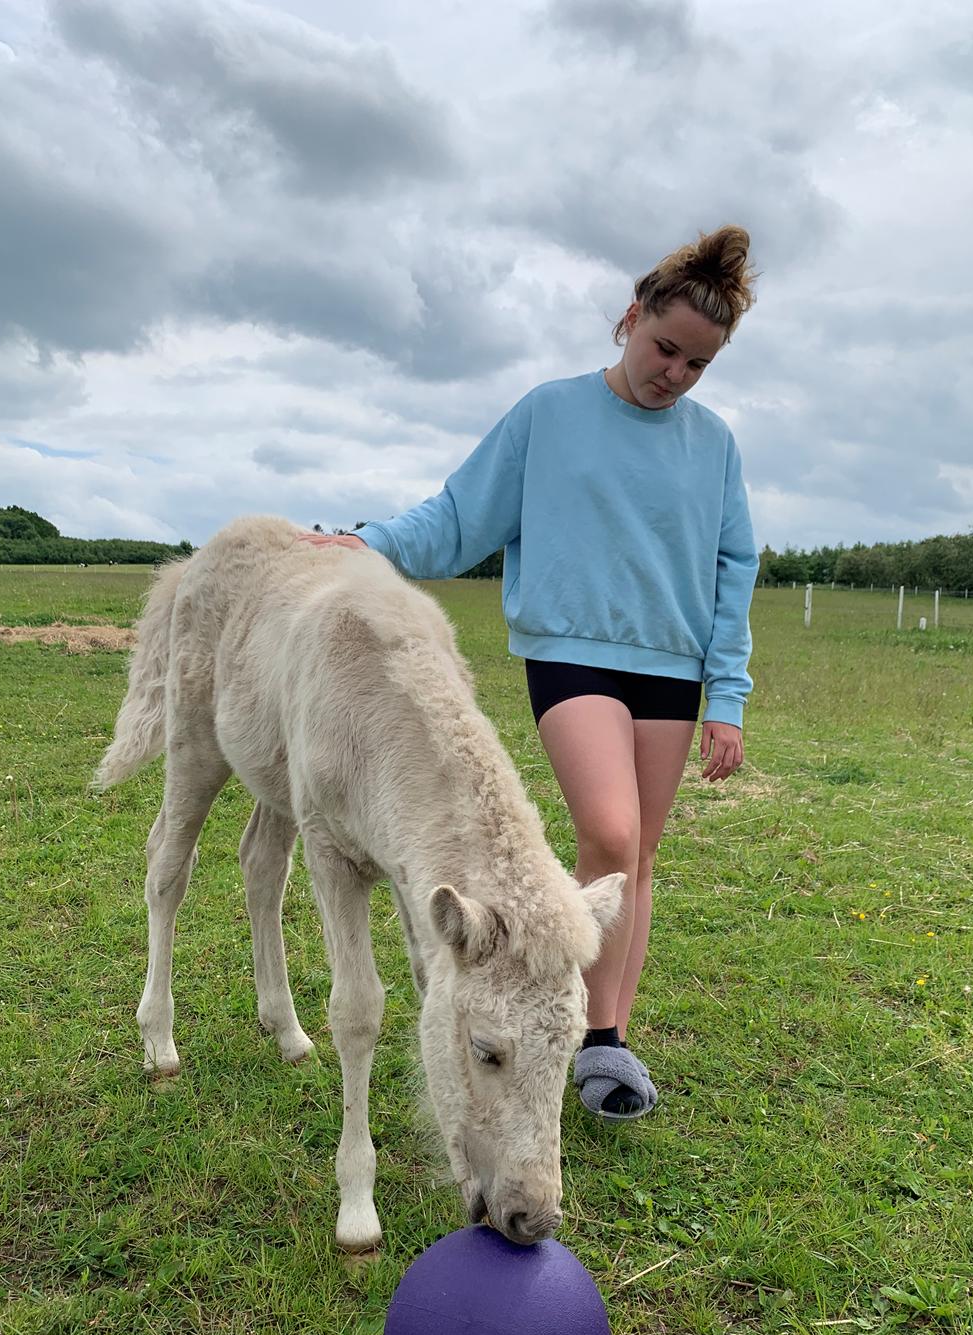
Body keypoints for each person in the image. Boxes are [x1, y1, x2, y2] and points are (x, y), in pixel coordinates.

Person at [304, 225, 759, 1122]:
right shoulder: (548, 414)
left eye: (697, 365)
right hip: (573, 656)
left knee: (637, 863)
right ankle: (580, 1031)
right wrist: (373, 544)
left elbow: (731, 568)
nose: (675, 374)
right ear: (631, 318)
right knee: (611, 835)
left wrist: (729, 696)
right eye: (665, 347)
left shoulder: (715, 448)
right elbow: (462, 515)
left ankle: (606, 1044)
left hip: (674, 670)